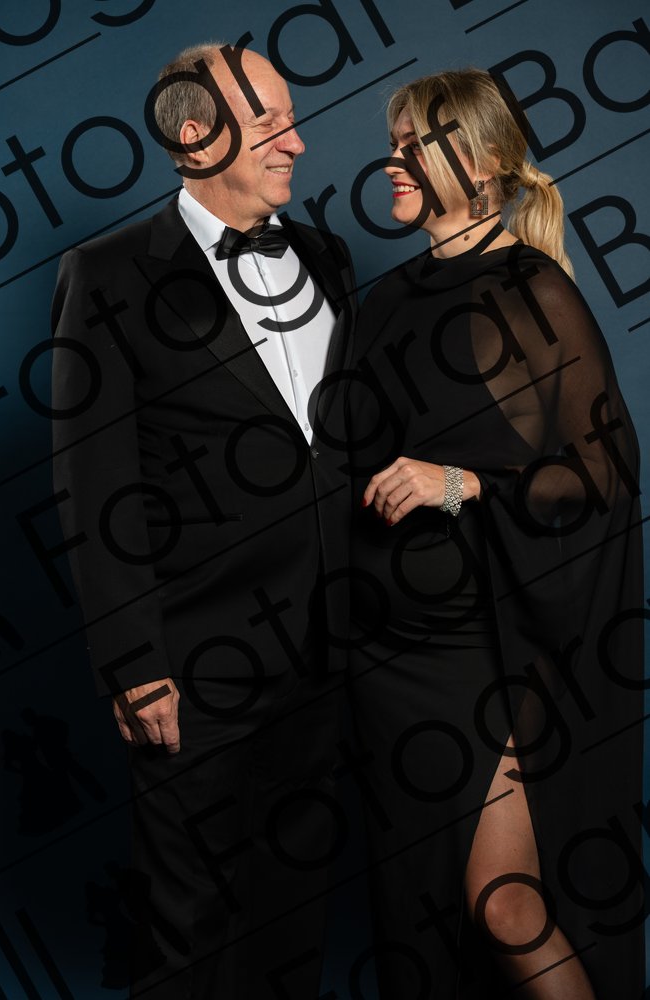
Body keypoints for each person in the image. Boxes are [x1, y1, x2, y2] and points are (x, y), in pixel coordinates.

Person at [51, 42, 356, 999]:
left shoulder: (326, 256)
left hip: (330, 646)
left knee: (294, 913)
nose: (297, 142)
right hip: (194, 661)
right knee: (187, 932)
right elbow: (92, 481)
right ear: (195, 135)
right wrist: (135, 666)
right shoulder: (107, 274)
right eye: (270, 121)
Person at [346, 68, 643, 998]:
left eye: (414, 146)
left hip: (492, 645)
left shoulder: (530, 290)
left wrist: (467, 482)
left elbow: (603, 470)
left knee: (505, 903)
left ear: (478, 164)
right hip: (387, 658)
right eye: (392, 144)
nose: (391, 163)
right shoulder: (384, 299)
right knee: (428, 919)